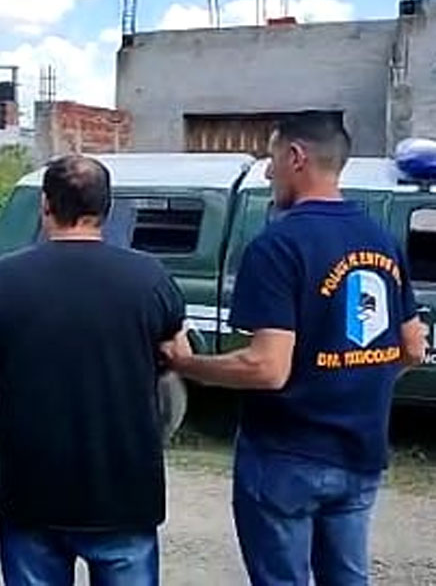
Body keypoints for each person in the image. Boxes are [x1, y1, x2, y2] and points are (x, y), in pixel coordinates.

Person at [163, 112, 427, 585]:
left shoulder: (277, 246)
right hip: (360, 453)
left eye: (272, 157)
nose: (268, 172)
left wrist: (188, 364)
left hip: (287, 456)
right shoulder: (382, 240)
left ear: (296, 157)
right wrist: (357, 382)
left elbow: (267, 368)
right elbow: (411, 347)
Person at [0, 155, 185, 586]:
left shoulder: (4, 277)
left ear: (45, 205)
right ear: (106, 207)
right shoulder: (149, 276)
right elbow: (178, 354)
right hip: (125, 494)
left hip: (32, 493)